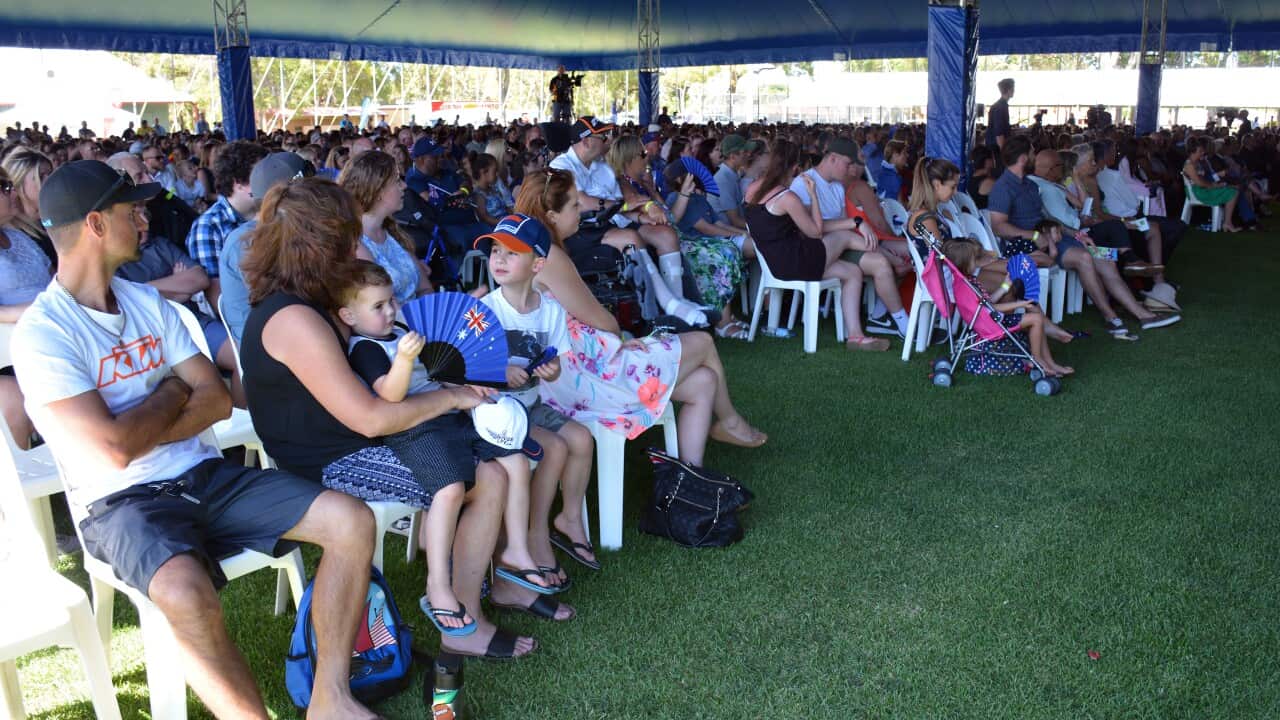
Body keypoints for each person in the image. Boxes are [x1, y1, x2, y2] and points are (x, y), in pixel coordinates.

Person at [13, 159, 380, 719]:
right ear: (94, 224)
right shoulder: (44, 333)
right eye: (129, 209)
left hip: (203, 476)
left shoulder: (146, 303)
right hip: (121, 503)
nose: (144, 218)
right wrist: (166, 394)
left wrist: (146, 421)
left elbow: (215, 398)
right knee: (185, 594)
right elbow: (111, 452)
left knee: (351, 522)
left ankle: (331, 698)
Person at [239, 177, 540, 658]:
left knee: (495, 469)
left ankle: (473, 604)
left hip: (357, 438)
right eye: (349, 236)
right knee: (484, 478)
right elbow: (373, 420)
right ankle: (459, 621)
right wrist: (453, 398)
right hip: (329, 459)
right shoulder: (292, 318)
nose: (358, 245)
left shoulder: (313, 303)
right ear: (323, 243)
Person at [335, 260, 558, 632]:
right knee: (450, 489)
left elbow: (444, 362)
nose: (390, 311)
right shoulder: (365, 348)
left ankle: (516, 549)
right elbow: (389, 395)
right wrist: (404, 359)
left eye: (391, 301)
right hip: (413, 428)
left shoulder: (403, 329)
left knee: (516, 463)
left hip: (449, 415)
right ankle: (437, 584)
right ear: (349, 316)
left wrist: (471, 378)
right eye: (378, 307)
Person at [515, 168, 767, 464]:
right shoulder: (551, 257)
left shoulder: (534, 251)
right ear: (551, 215)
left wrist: (619, 340)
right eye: (574, 204)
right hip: (580, 377)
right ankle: (729, 422)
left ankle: (687, 476)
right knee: (702, 341)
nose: (581, 209)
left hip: (572, 369)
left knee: (704, 380)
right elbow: (599, 319)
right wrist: (621, 340)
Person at [476, 214, 599, 581]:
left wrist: (552, 372)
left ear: (538, 265)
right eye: (495, 251)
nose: (498, 259)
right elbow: (468, 372)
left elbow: (556, 362)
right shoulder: (487, 311)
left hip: (530, 404)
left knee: (581, 437)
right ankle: (536, 532)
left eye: (511, 253)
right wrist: (499, 373)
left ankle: (567, 516)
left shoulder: (551, 311)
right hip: (497, 413)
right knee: (557, 448)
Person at [990, 135, 1179, 339]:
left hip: (1057, 238)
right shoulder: (1003, 187)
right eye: (1032, 152)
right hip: (1032, 245)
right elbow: (999, 226)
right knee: (1085, 258)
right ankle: (1112, 318)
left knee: (1107, 259)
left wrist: (1077, 234)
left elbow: (1048, 218)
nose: (1035, 156)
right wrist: (1034, 235)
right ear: (1023, 158)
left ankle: (1142, 315)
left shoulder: (1028, 184)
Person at [744, 139, 888, 351]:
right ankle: (889, 254)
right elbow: (816, 231)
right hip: (795, 263)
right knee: (843, 237)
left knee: (852, 272)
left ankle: (855, 337)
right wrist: (813, 195)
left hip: (774, 263)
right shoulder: (787, 197)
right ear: (795, 167)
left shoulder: (752, 189)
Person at [787, 137, 912, 339]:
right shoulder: (803, 183)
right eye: (848, 163)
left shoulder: (837, 187)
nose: (850, 169)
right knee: (877, 257)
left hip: (843, 247)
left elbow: (847, 225)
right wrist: (853, 224)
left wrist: (855, 227)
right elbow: (809, 229)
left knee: (886, 259)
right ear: (833, 158)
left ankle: (894, 321)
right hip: (816, 251)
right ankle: (900, 321)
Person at [942, 237, 1074, 377]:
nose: (978, 263)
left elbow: (987, 302)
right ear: (964, 263)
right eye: (974, 260)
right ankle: (1037, 360)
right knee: (1036, 319)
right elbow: (990, 307)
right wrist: (1020, 304)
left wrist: (1005, 286)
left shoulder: (966, 281)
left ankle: (1049, 363)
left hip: (987, 320)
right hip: (989, 324)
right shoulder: (966, 287)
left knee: (1035, 316)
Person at [217, 152, 310, 347]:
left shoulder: (295, 227)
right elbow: (280, 307)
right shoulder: (245, 242)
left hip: (298, 329)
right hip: (266, 344)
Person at [339, 150, 432, 304]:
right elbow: (388, 311)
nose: (404, 185)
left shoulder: (391, 231)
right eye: (397, 180)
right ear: (378, 190)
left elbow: (426, 288)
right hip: (398, 326)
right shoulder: (356, 246)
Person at [186, 140, 269, 308]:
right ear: (238, 183)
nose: (270, 182)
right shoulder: (208, 227)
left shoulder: (273, 213)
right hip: (249, 317)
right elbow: (219, 300)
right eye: (262, 177)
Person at [1, 147, 57, 265]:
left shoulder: (48, 218)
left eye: (50, 174)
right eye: (41, 176)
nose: (50, 180)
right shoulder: (13, 234)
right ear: (18, 182)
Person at [1183, 136, 1242, 232]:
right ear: (1193, 152)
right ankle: (1227, 223)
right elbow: (1199, 182)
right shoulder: (1189, 165)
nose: (1202, 153)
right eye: (1200, 151)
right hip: (1199, 192)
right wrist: (1214, 185)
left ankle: (1227, 222)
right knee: (1233, 192)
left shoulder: (1197, 163)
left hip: (1204, 188)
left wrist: (1215, 184)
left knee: (1233, 190)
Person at [708, 134, 760, 231]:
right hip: (727, 234)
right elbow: (735, 220)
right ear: (733, 157)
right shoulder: (723, 180)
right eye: (744, 152)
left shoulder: (732, 173)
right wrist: (762, 228)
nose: (749, 154)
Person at [986, 78, 1015, 151]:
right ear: (1008, 90)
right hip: (996, 148)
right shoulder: (1000, 107)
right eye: (1013, 88)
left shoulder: (1002, 105)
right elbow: (999, 134)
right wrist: (1004, 153)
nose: (1014, 91)